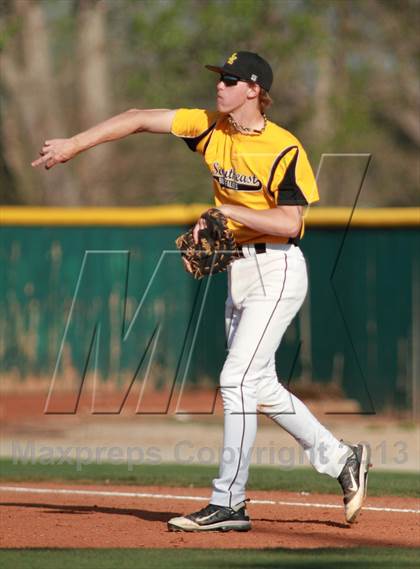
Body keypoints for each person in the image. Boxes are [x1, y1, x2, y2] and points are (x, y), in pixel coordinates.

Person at [32, 51, 371, 532]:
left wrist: (229, 217)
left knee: (235, 381)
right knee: (261, 387)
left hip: (278, 267)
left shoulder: (284, 147)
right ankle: (341, 460)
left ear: (254, 89)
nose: (220, 85)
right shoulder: (209, 127)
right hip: (240, 269)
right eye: (220, 77)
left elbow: (292, 221)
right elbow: (137, 119)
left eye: (231, 79)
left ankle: (228, 502)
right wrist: (74, 143)